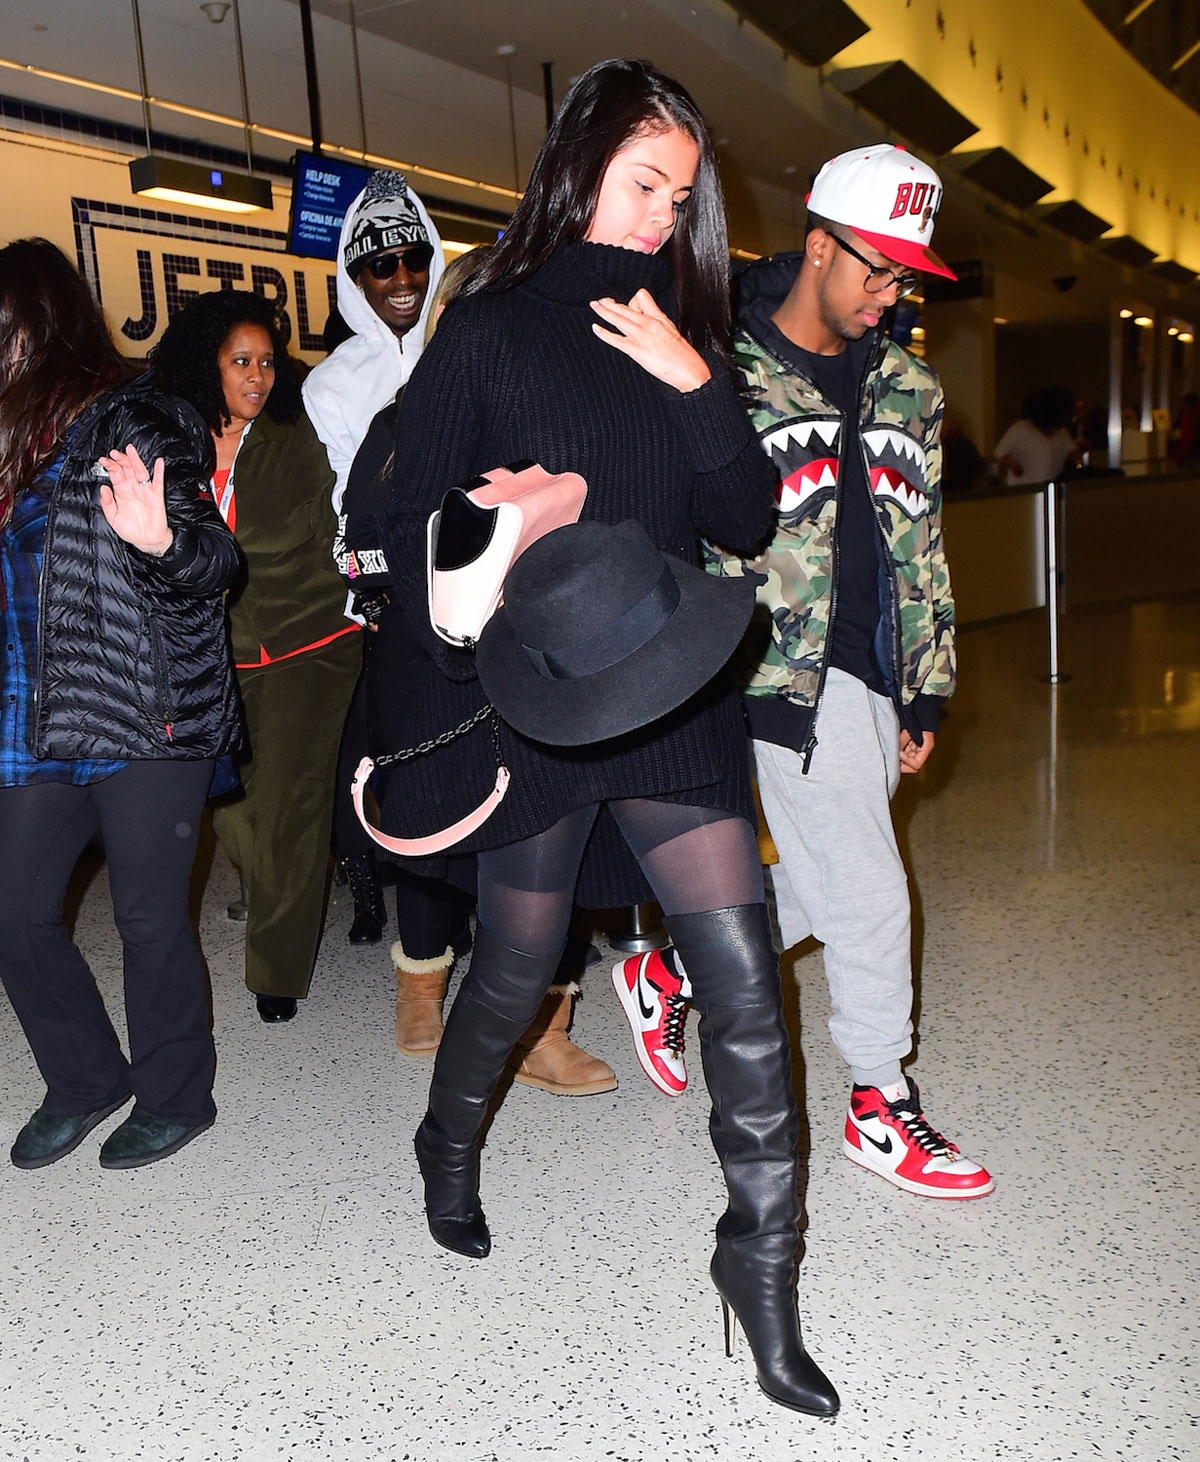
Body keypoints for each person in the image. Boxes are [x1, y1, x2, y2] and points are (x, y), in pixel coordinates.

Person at [378, 59, 839, 1418]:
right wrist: (508, 524)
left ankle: (758, 1265)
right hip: (541, 693)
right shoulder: (491, 330)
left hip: (674, 683)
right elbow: (412, 539)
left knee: (747, 975)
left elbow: (748, 520)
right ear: (580, 167)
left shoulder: (678, 330)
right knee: (518, 959)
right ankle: (446, 1136)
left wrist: (699, 380)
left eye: (681, 197)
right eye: (645, 184)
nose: (660, 215)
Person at [644, 144, 990, 1202]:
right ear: (818, 243)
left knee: (833, 871)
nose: (889, 297)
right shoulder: (720, 369)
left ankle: (671, 966)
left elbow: (920, 544)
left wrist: (928, 679)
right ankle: (880, 1102)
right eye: (874, 271)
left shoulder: (910, 386)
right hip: (766, 671)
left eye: (904, 279)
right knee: (875, 893)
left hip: (873, 672)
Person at [342, 249, 616, 1092]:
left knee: (557, 832)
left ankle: (545, 1021)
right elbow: (357, 544)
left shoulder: (566, 424)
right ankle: (420, 983)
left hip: (538, 662)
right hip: (425, 664)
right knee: (433, 827)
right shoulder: (402, 422)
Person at [0, 238, 240, 1169]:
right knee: (15, 913)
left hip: (143, 707)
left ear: (35, 324)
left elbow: (216, 563)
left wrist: (159, 540)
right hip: (35, 715)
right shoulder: (9, 438)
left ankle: (178, 1096)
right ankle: (85, 1077)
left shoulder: (131, 418)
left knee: (147, 917)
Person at [153, 290, 361, 1024]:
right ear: (205, 364)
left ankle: (278, 969)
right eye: (241, 361)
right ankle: (278, 883)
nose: (258, 377)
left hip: (311, 642)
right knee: (235, 810)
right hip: (214, 658)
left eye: (268, 362)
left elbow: (313, 534)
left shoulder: (294, 436)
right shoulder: (170, 443)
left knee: (292, 808)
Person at [303, 170, 446, 944]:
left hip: (470, 592)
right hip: (375, 602)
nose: (401, 279)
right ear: (354, 278)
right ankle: (368, 892)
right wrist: (363, 593)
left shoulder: (459, 347)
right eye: (380, 265)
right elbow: (331, 503)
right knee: (368, 754)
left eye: (413, 258)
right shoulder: (330, 384)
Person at [993, 385, 1079, 485]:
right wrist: (1014, 466)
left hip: (1053, 487)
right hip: (1025, 489)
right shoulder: (1021, 428)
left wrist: (1076, 464)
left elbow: (1072, 450)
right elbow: (1000, 451)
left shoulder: (1061, 432)